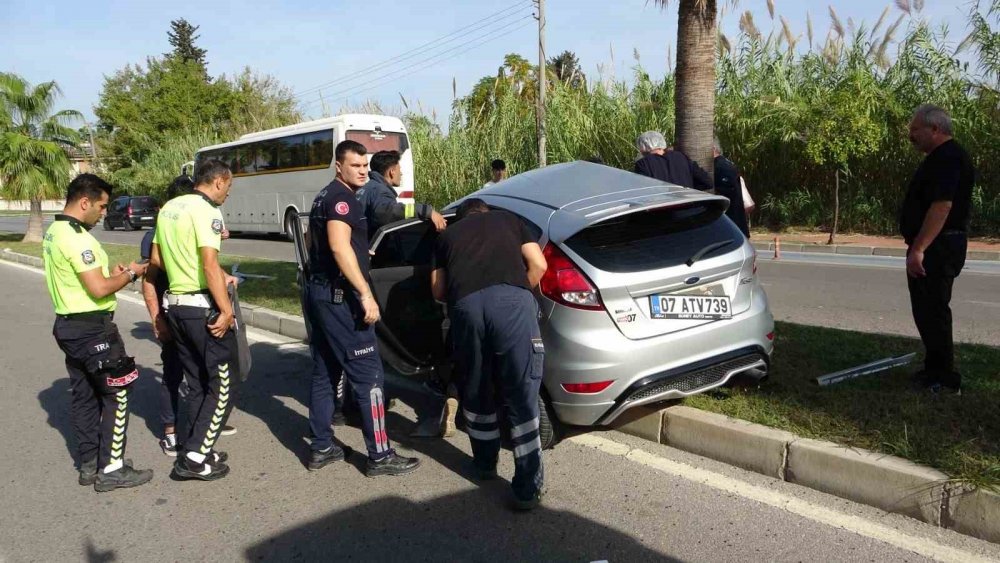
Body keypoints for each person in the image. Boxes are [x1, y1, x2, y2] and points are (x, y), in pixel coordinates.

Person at [304, 139, 420, 476]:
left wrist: (357, 253)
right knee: (369, 374)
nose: (363, 171)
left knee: (325, 371)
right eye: (355, 165)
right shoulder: (342, 200)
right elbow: (339, 249)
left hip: (320, 292)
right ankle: (380, 455)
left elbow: (322, 245)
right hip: (341, 297)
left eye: (365, 166)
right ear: (338, 165)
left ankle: (321, 446)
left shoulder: (325, 195)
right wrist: (365, 294)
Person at [430, 198, 548, 510]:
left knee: (476, 385)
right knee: (521, 390)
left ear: (462, 216)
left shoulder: (446, 237)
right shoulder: (509, 220)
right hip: (511, 302)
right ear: (486, 211)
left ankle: (484, 465)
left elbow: (438, 290)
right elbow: (539, 265)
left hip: (466, 308)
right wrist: (519, 292)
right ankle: (526, 488)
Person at [43, 173, 154, 492]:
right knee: (118, 392)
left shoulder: (55, 230)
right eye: (102, 207)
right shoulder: (77, 237)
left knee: (85, 396)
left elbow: (83, 279)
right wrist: (132, 272)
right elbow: (99, 287)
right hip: (93, 330)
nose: (104, 213)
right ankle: (113, 468)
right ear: (84, 202)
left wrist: (111, 275)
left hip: (69, 326)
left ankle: (90, 464)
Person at [146, 159, 238, 481]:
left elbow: (155, 259)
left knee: (197, 382)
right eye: (229, 187)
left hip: (175, 307)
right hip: (201, 308)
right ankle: (195, 458)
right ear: (218, 182)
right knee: (222, 384)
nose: (228, 194)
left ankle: (196, 444)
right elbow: (210, 265)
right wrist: (226, 311)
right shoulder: (208, 210)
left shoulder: (169, 209)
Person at [899, 104, 975, 395]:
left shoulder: (949, 158)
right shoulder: (939, 157)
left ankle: (944, 378)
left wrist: (919, 249)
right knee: (926, 310)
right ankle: (933, 369)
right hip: (934, 244)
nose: (911, 135)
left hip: (939, 246)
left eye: (915, 130)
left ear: (935, 129)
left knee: (934, 310)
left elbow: (942, 206)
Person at [357, 150, 446, 241]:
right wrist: (426, 211)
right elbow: (389, 212)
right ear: (392, 172)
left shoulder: (368, 188)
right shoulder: (380, 191)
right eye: (399, 170)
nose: (401, 173)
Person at [633, 131, 711, 190]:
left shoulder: (643, 164)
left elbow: (643, 192)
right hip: (691, 207)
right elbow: (707, 182)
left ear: (642, 147)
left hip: (663, 209)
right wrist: (689, 190)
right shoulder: (681, 157)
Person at [712, 137, 751, 238]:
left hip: (731, 221)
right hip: (735, 222)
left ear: (713, 148)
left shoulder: (720, 166)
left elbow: (728, 189)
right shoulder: (726, 162)